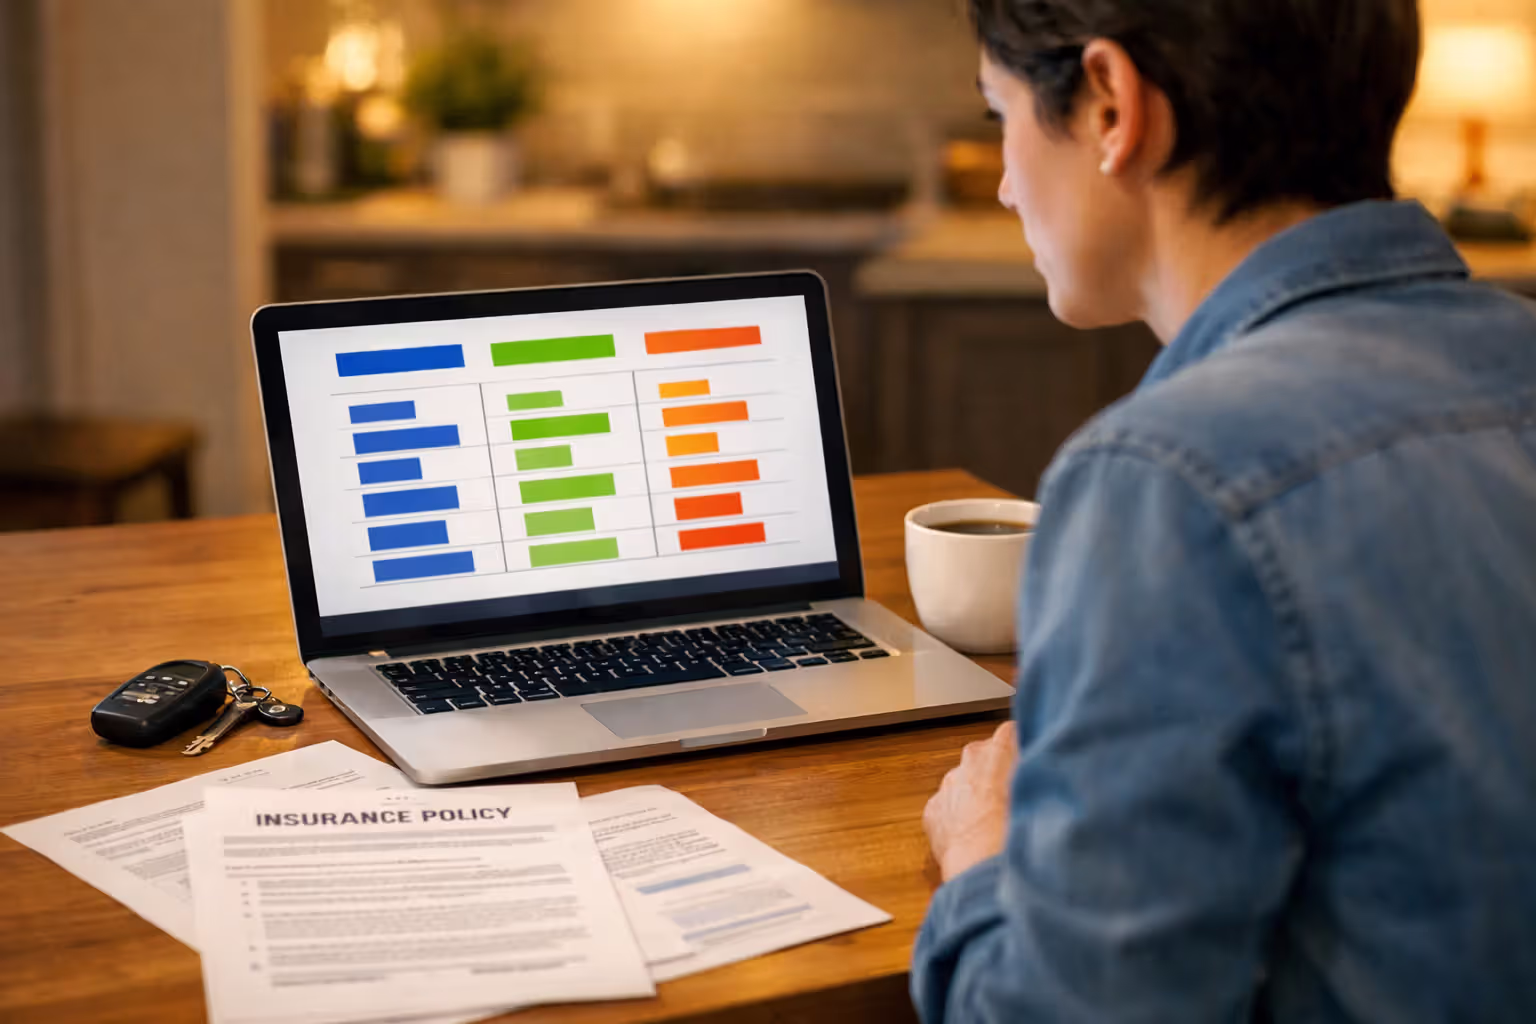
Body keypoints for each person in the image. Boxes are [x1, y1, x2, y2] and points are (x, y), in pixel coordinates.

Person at [912, 0, 1536, 1021]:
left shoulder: (1169, 479)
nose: (1011, 182)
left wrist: (985, 857)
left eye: (1000, 117)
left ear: (1112, 104)